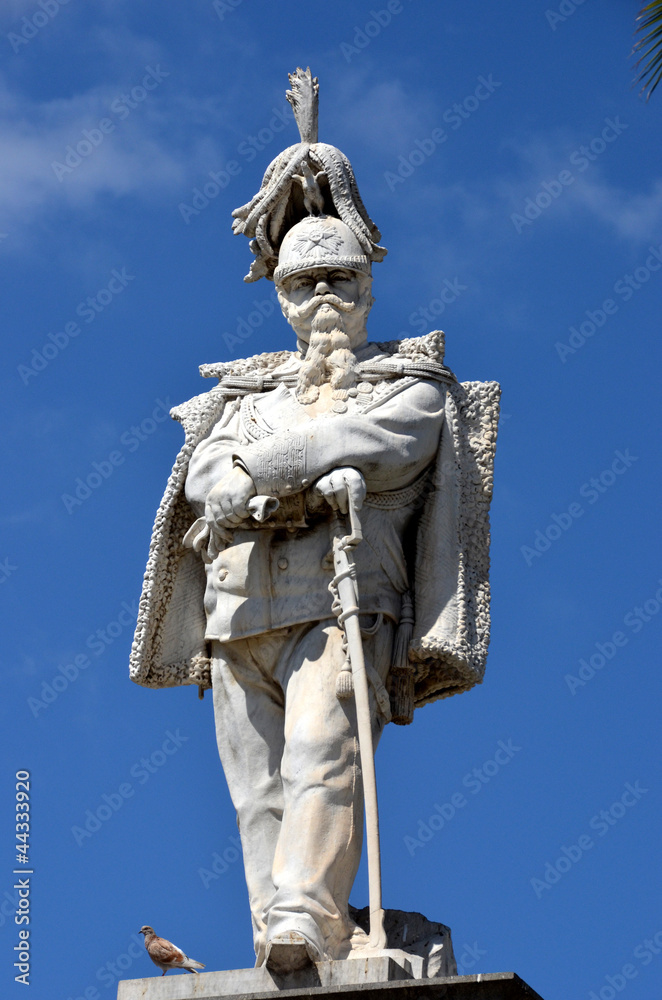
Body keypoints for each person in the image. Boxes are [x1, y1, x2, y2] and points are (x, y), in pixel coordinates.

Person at [129, 68, 499, 974]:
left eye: (339, 277)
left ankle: (303, 913)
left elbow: (383, 443)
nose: (322, 298)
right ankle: (283, 937)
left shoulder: (408, 384)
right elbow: (205, 467)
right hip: (236, 615)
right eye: (304, 285)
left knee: (321, 754)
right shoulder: (240, 394)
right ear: (284, 299)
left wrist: (261, 474)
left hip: (342, 602)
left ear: (367, 282)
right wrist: (248, 475)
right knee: (257, 791)